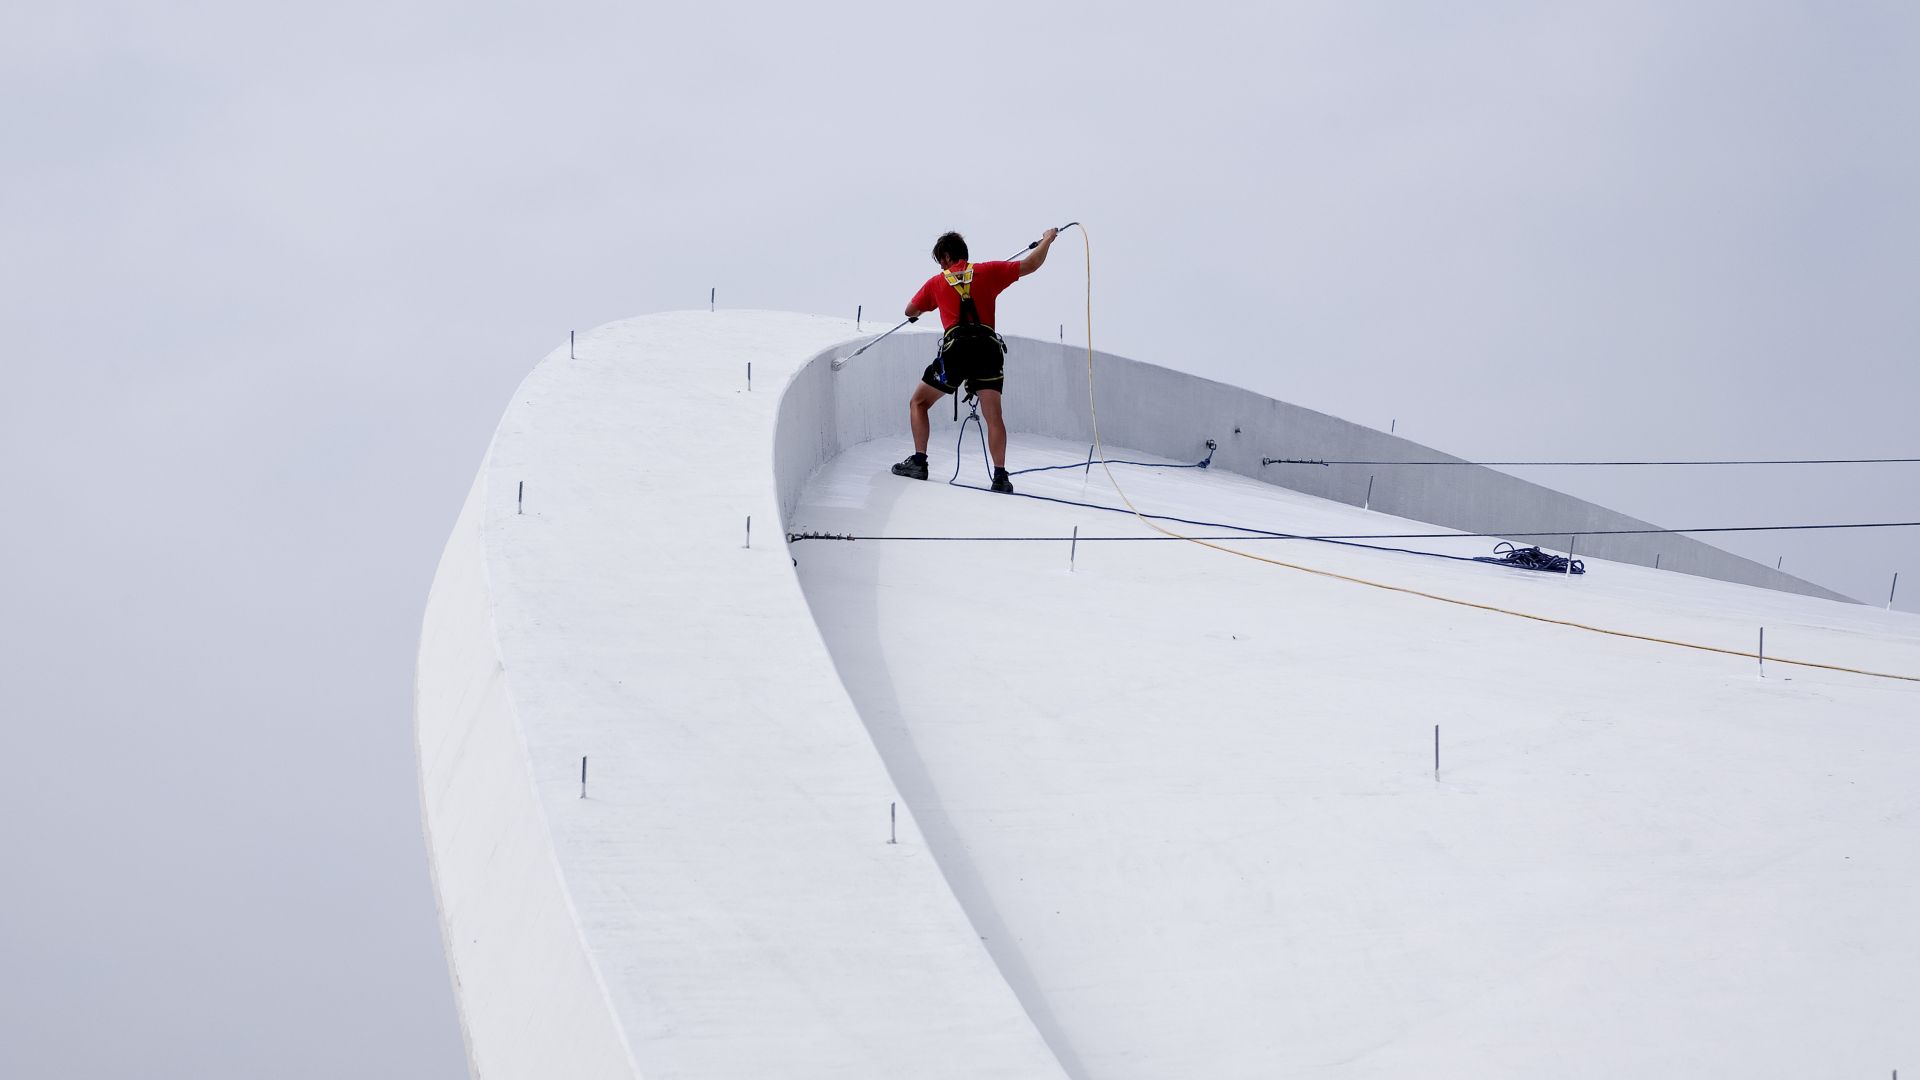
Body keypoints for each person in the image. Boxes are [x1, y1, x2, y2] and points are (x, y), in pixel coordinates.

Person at [890, 227, 1057, 493]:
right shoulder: (989, 271)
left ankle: (919, 462)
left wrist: (924, 308)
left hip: (956, 351)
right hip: (987, 350)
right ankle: (1000, 476)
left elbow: (910, 310)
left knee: (918, 402)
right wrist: (1048, 239)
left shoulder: (936, 283)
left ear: (945, 258)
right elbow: (1031, 264)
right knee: (994, 416)